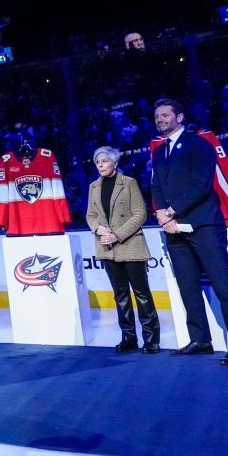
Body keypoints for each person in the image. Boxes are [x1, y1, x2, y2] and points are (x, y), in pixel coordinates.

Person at [151, 98, 228, 365]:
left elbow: (201, 184)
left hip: (204, 225)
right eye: (157, 116)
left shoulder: (199, 144)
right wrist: (162, 215)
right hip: (173, 230)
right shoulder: (159, 151)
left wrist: (171, 210)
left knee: (222, 285)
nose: (160, 119)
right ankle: (200, 339)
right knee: (188, 287)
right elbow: (156, 187)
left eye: (165, 115)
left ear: (180, 117)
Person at [85, 146, 159, 353]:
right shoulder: (93, 187)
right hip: (107, 248)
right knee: (120, 295)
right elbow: (90, 215)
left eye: (104, 161)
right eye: (97, 162)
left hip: (130, 245)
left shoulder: (129, 183)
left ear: (115, 163)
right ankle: (128, 337)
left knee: (141, 293)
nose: (100, 164)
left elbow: (140, 214)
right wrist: (98, 228)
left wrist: (116, 235)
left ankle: (151, 339)